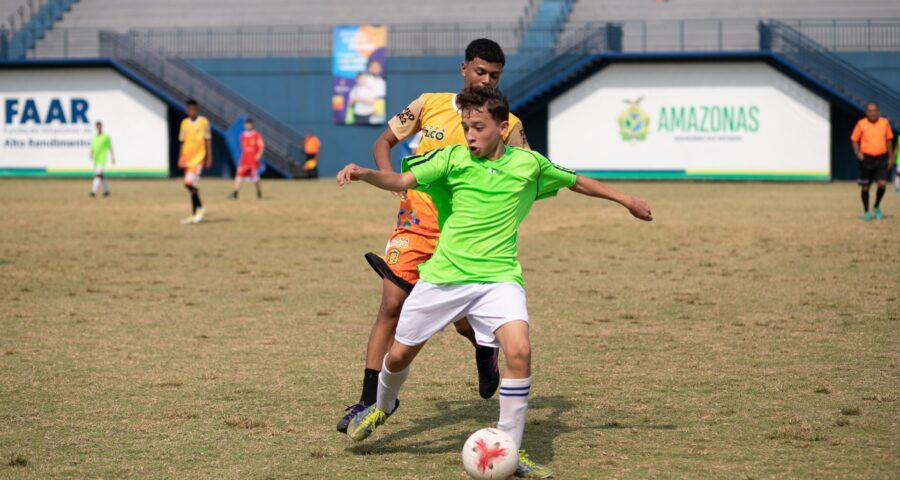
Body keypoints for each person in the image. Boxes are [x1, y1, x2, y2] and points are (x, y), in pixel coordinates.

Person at [337, 86, 653, 478]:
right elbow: (403, 181)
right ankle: (382, 406)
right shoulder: (451, 159)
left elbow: (576, 181)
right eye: (466, 127)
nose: (469, 135)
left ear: (502, 128)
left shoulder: (528, 165)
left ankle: (509, 448)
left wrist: (626, 200)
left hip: (498, 280)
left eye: (478, 128)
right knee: (399, 357)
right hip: (444, 278)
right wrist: (365, 173)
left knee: (519, 352)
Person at [335, 38, 531, 434]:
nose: (485, 80)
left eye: (494, 75)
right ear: (463, 69)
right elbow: (383, 141)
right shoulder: (429, 103)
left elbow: (525, 169)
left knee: (461, 318)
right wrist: (392, 182)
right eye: (480, 72)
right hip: (416, 222)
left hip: (464, 234)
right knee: (391, 305)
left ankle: (481, 345)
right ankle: (368, 400)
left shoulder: (507, 123)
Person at [851, 102, 894, 220]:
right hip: (866, 159)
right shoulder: (861, 124)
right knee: (865, 187)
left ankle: (876, 205)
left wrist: (890, 157)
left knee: (882, 184)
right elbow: (854, 140)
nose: (873, 113)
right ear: (866, 113)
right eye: (870, 111)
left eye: (875, 110)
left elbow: (889, 140)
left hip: (881, 158)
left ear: (878, 112)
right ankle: (866, 211)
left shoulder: (884, 123)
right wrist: (858, 153)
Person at [178, 99, 212, 224]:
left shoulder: (203, 122)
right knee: (191, 186)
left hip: (199, 158)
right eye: (189, 109)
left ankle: (198, 210)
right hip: (187, 159)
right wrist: (180, 157)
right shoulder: (184, 123)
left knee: (188, 183)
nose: (191, 112)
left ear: (197, 110)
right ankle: (198, 210)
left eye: (193, 109)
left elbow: (208, 139)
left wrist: (209, 157)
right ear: (187, 110)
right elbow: (182, 141)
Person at [229, 118, 265, 200]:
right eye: (247, 124)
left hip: (252, 160)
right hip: (244, 160)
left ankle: (259, 193)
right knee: (238, 176)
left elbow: (261, 146)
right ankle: (235, 194)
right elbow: (243, 148)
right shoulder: (242, 135)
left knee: (256, 178)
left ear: (252, 125)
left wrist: (258, 155)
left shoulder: (256, 134)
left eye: (250, 124)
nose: (248, 126)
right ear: (245, 125)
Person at [89, 121, 115, 197]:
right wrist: (91, 154)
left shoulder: (105, 137)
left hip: (102, 158)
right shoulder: (94, 138)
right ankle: (107, 191)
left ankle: (93, 192)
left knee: (97, 175)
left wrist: (112, 157)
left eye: (99, 126)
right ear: (96, 127)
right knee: (101, 176)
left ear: (101, 127)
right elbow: (93, 148)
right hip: (96, 160)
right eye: (97, 126)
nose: (98, 128)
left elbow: (110, 146)